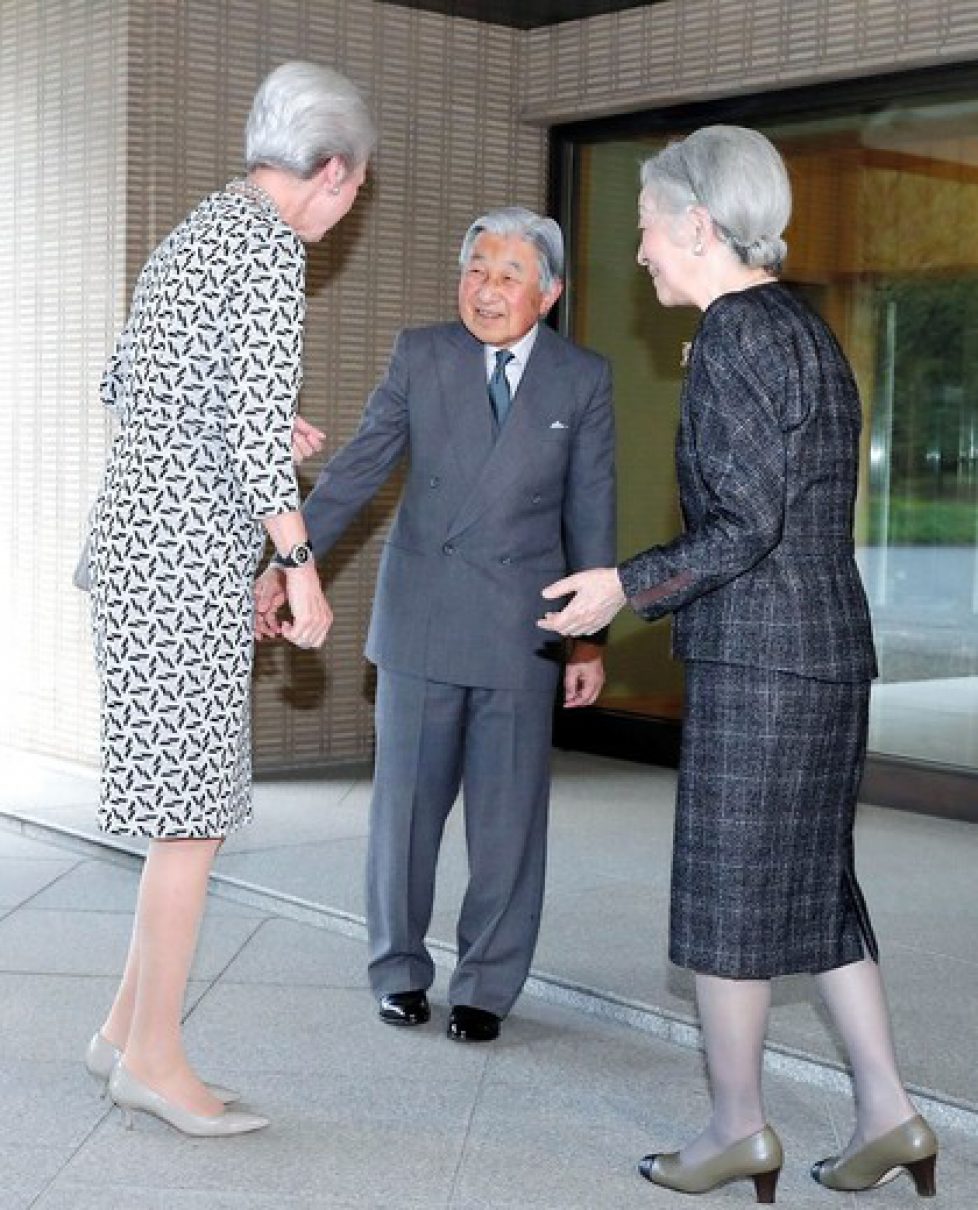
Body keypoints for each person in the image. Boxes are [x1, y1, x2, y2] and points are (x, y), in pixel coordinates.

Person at [538, 126, 937, 1202]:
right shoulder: (803, 330)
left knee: (730, 897)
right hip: (824, 652)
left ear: (700, 226)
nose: (641, 255)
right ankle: (892, 1116)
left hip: (763, 662)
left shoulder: (732, 337)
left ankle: (734, 1127)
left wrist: (625, 583)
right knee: (818, 893)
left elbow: (745, 525)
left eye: (647, 230)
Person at [84, 61, 374, 1137]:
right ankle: (157, 1059)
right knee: (192, 823)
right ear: (333, 171)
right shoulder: (269, 253)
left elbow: (130, 382)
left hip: (137, 551)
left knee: (177, 816)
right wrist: (298, 566)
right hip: (182, 570)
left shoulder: (198, 229)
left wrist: (243, 422)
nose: (346, 211)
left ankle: (123, 1031)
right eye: (354, 191)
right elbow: (248, 424)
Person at [255, 207, 616, 1043]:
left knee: (507, 821)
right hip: (420, 618)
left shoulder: (582, 378)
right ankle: (398, 970)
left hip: (522, 628)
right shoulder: (422, 355)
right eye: (475, 270)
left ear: (550, 291)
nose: (486, 290)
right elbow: (355, 471)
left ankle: (487, 983)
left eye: (509, 274)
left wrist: (586, 639)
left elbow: (590, 511)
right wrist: (286, 559)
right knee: (406, 815)